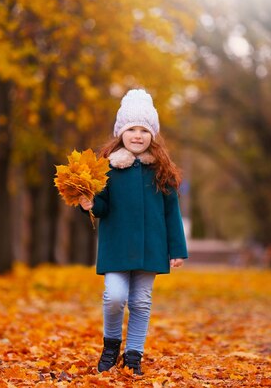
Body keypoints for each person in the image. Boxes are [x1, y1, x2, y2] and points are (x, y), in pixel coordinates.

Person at [79, 89, 188, 375]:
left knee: (140, 301)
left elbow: (171, 213)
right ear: (120, 133)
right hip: (116, 246)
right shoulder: (108, 169)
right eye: (131, 129)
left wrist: (177, 249)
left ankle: (133, 354)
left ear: (153, 134)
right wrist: (90, 204)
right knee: (114, 296)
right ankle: (111, 344)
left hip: (151, 247)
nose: (137, 135)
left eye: (144, 129)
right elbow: (101, 207)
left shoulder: (161, 171)